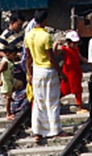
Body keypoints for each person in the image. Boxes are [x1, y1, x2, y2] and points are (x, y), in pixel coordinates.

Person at [26, 7, 63, 144]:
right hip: (48, 71)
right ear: (45, 20)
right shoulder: (46, 36)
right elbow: (51, 58)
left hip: (36, 71)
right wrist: (61, 73)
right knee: (52, 101)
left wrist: (29, 73)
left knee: (38, 101)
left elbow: (28, 58)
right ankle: (55, 130)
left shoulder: (29, 35)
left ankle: (37, 131)